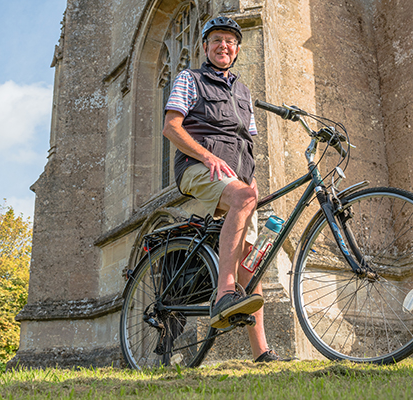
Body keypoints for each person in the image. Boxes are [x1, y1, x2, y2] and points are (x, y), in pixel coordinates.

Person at [162, 16, 282, 363]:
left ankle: (261, 352)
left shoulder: (244, 93)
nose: (224, 46)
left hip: (238, 179)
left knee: (252, 264)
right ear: (205, 47)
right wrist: (207, 156)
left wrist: (252, 178)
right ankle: (223, 293)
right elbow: (171, 127)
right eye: (216, 40)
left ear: (237, 49)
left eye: (230, 41)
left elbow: (247, 143)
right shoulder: (190, 79)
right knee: (243, 199)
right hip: (197, 168)